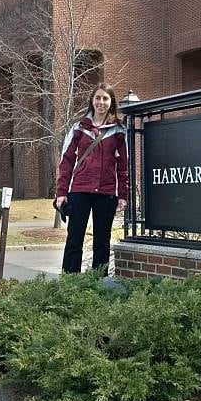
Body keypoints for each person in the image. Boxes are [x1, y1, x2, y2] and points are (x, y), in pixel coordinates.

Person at [54, 83, 129, 275]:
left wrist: (123, 195)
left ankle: (99, 283)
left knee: (102, 241)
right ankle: (70, 282)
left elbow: (123, 166)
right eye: (98, 98)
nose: (101, 102)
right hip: (79, 190)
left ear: (111, 102)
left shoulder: (119, 131)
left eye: (105, 98)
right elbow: (66, 161)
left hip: (106, 192)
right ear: (92, 100)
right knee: (74, 239)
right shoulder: (79, 128)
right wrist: (61, 193)